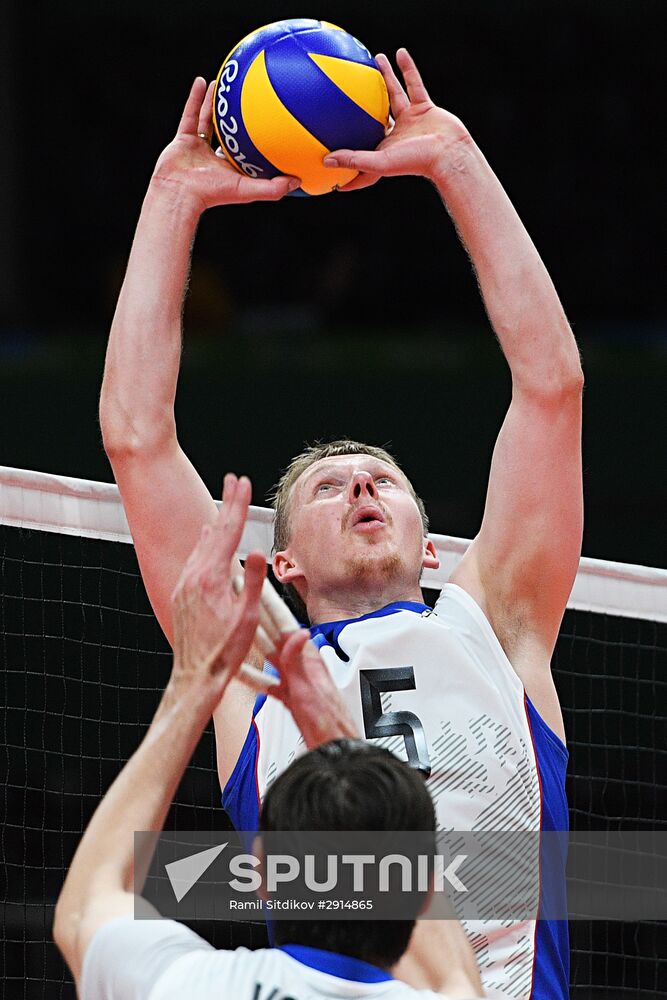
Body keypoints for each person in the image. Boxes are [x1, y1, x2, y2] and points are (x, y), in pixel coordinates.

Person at [99, 46, 583, 1000]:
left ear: (432, 547)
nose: (361, 486)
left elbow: (551, 387)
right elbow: (136, 438)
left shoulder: (496, 622)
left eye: (382, 482)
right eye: (328, 488)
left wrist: (454, 159)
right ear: (280, 562)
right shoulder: (249, 665)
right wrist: (172, 198)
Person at [53, 488, 483, 1000]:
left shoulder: (192, 987)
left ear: (261, 871)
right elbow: (455, 977)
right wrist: (329, 723)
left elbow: (84, 910)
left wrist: (191, 687)